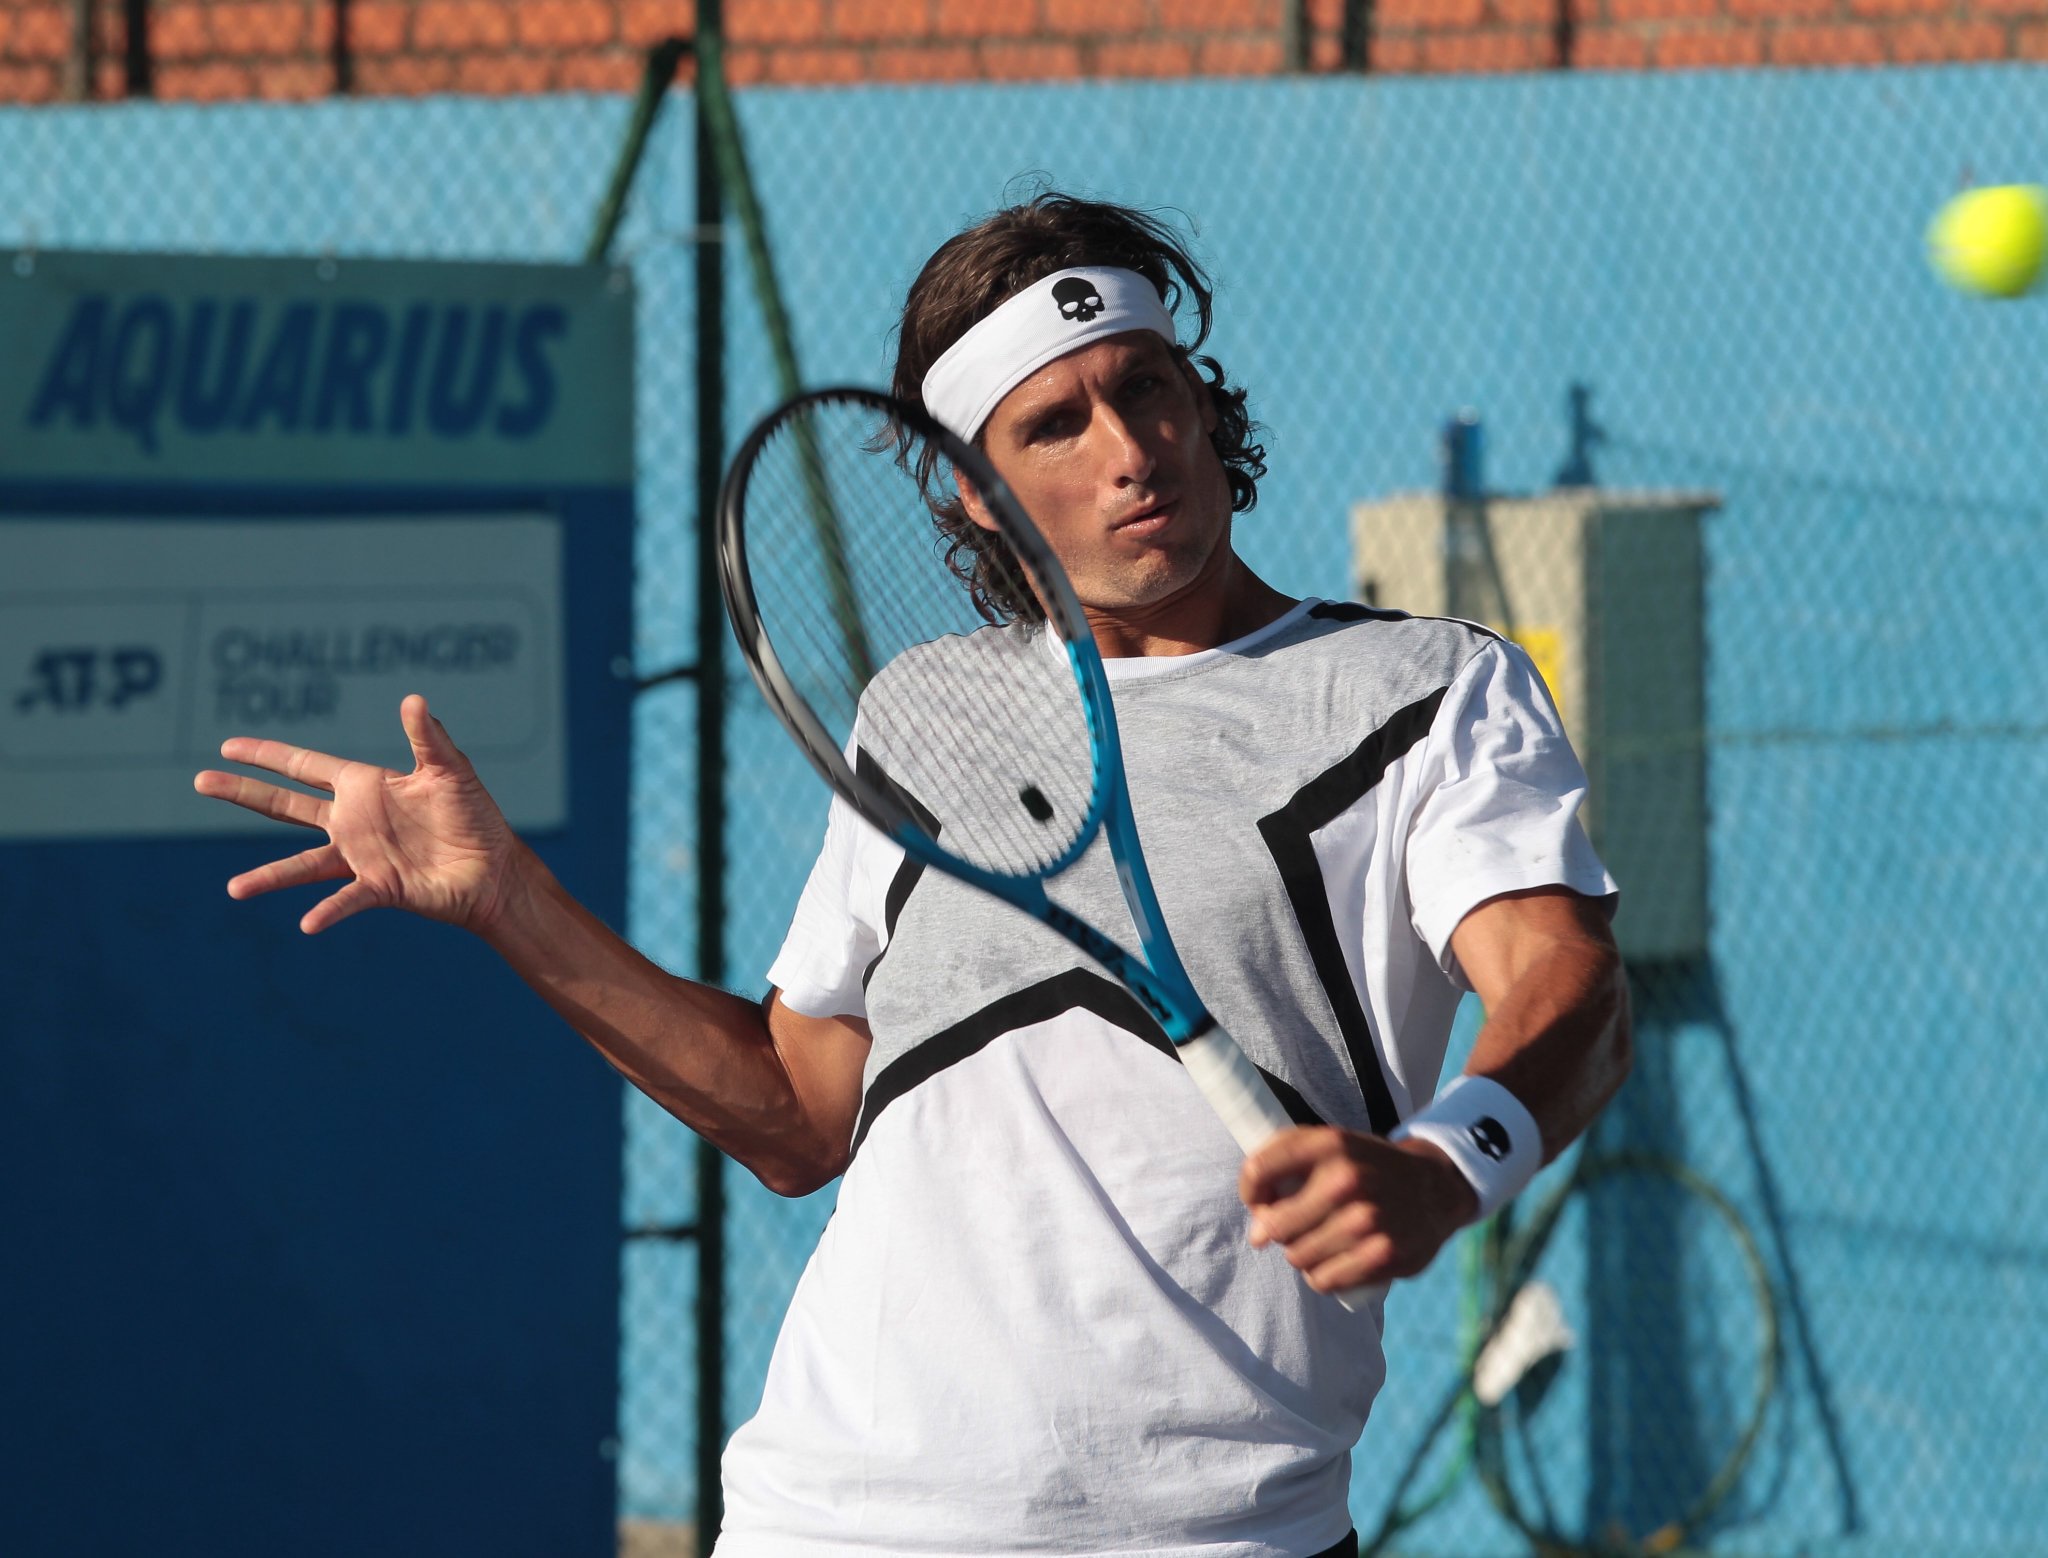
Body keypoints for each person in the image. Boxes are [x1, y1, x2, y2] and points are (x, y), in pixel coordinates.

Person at [195, 191, 1630, 1558]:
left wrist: (1449, 1165)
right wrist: (511, 898)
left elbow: (1570, 989)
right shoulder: (926, 711)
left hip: (1223, 1525)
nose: (1130, 448)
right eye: (1055, 423)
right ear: (978, 493)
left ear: (1201, 402)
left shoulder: (1426, 689)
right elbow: (794, 1111)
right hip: (835, 1515)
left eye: (1147, 387)